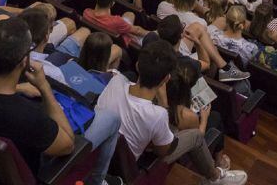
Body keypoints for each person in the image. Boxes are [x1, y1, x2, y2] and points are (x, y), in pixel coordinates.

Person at [0, 17, 124, 185]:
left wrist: (19, 88)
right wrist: (44, 88)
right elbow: (69, 144)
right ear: (24, 61)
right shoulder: (30, 117)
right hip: (29, 173)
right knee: (112, 119)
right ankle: (98, 181)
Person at [96, 40, 247, 185]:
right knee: (195, 136)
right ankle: (215, 178)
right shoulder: (157, 114)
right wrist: (164, 103)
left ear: (137, 66)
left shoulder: (115, 82)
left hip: (100, 157)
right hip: (132, 166)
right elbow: (164, 151)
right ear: (166, 79)